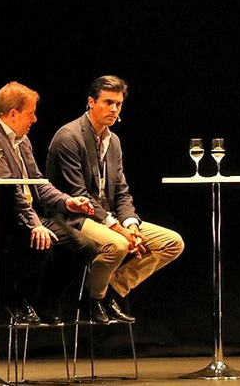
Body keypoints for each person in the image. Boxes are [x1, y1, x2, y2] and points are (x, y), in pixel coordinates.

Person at [47, 76, 185, 324]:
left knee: (172, 243)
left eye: (118, 104)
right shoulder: (68, 137)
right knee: (118, 245)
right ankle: (92, 301)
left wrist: (130, 224)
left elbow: (121, 191)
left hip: (109, 218)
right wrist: (119, 230)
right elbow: (78, 193)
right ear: (91, 102)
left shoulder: (114, 141)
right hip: (75, 216)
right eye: (108, 102)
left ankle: (111, 289)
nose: (114, 109)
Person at [0, 81, 98, 323]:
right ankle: (14, 300)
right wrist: (34, 223)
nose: (35, 119)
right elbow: (9, 190)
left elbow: (37, 182)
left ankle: (42, 300)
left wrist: (68, 202)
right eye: (31, 113)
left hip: (25, 216)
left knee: (84, 246)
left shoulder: (21, 139)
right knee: (40, 242)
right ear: (13, 113)